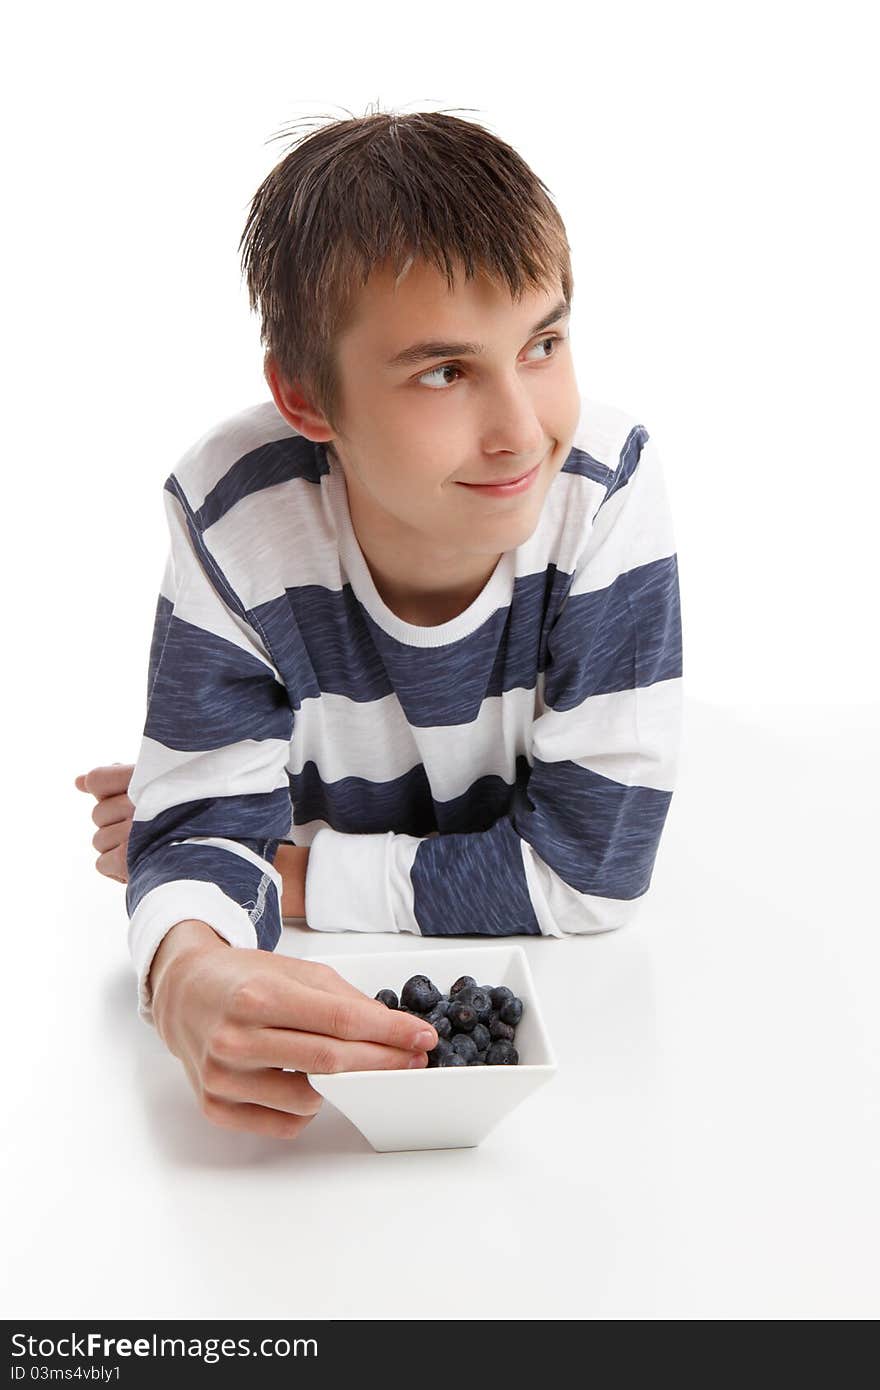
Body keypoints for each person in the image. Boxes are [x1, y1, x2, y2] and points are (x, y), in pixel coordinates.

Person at [75, 109, 684, 1139]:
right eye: (443, 372)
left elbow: (588, 874)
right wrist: (186, 957)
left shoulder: (600, 490)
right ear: (306, 398)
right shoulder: (237, 515)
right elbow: (197, 846)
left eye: (542, 343)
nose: (520, 429)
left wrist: (290, 866)